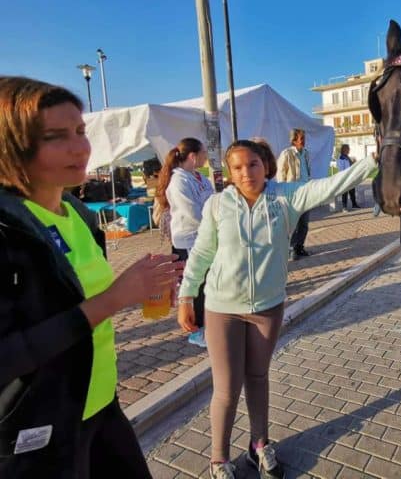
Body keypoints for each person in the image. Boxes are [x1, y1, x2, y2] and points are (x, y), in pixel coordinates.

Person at [0, 76, 184, 478]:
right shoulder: (6, 228)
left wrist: (143, 289)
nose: (80, 147)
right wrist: (115, 298)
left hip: (100, 403)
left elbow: (72, 302)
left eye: (81, 131)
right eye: (56, 136)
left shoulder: (79, 214)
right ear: (12, 145)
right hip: (38, 433)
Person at [177, 138, 376, 479]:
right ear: (228, 172)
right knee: (226, 388)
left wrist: (373, 160)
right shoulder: (216, 205)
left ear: (265, 165)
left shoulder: (285, 197)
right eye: (237, 167)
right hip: (222, 309)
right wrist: (185, 296)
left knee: (258, 378)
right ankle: (218, 459)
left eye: (252, 164)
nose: (246, 173)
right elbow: (201, 254)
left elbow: (329, 186)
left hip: (267, 308)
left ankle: (259, 445)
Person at [154, 138, 213, 347]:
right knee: (195, 285)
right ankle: (197, 330)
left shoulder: (200, 178)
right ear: (193, 156)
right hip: (189, 240)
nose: (206, 156)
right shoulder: (178, 180)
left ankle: (208, 325)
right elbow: (192, 213)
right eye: (204, 152)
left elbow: (214, 202)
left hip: (205, 237)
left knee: (207, 283)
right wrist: (214, 223)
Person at [276, 128, 311, 260]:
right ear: (294, 140)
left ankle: (300, 247)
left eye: (304, 139)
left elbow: (307, 171)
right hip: (292, 193)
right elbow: (281, 175)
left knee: (304, 223)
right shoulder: (287, 153)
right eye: (301, 139)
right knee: (294, 223)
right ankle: (291, 249)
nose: (304, 141)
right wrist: (284, 194)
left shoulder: (306, 153)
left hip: (306, 191)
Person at [336, 144, 361, 211]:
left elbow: (350, 166)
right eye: (348, 149)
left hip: (350, 177)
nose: (349, 150)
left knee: (352, 191)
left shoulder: (347, 157)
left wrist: (353, 162)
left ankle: (354, 204)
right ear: (344, 149)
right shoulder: (341, 158)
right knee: (345, 192)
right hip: (345, 177)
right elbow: (341, 169)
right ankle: (344, 207)